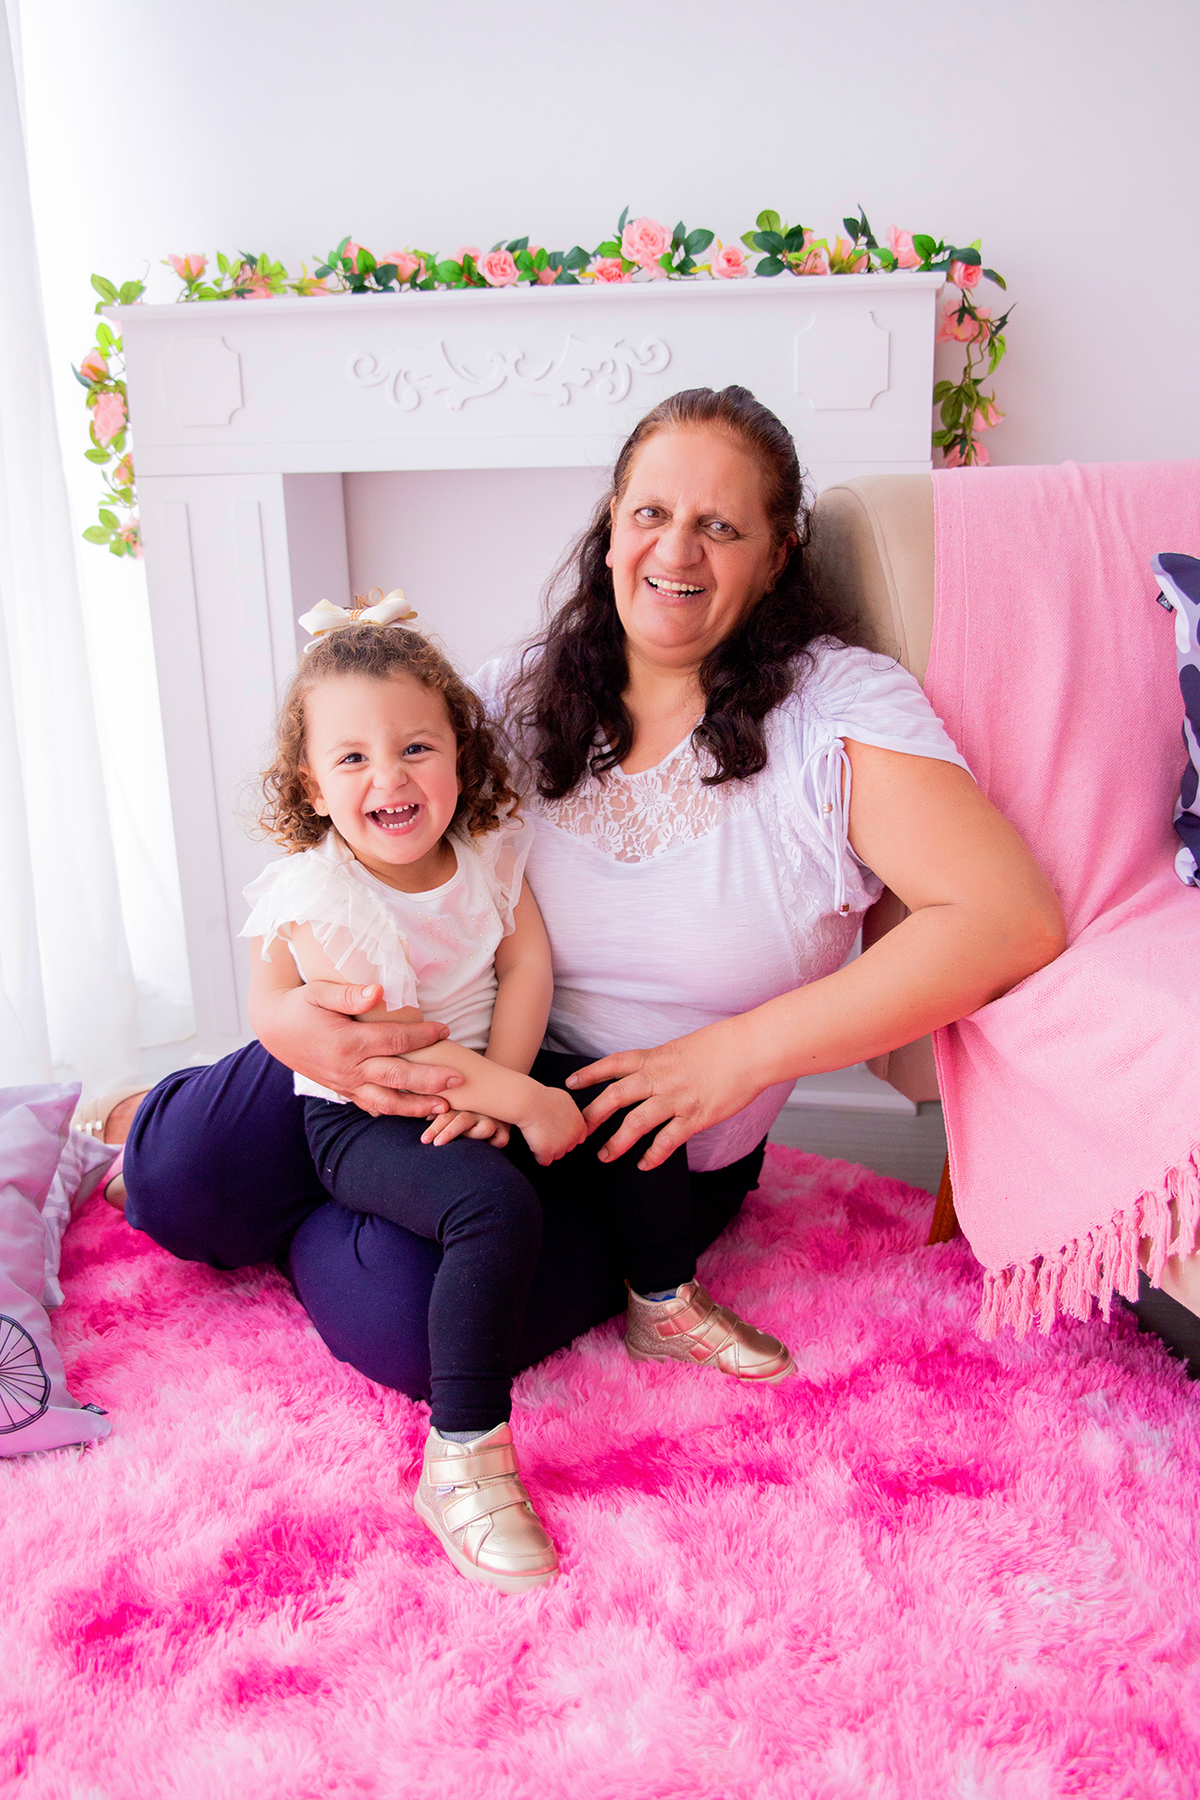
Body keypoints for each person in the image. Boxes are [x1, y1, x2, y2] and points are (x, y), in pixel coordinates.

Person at [112, 384, 1065, 1512]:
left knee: (418, 1329)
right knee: (171, 1184)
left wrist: (735, 1057)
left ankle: (335, 1201)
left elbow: (1008, 920)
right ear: (610, 527)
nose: (678, 549)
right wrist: (308, 1020)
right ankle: (190, 1132)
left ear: (777, 553)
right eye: (650, 512)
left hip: (630, 1147)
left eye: (722, 525)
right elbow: (390, 861)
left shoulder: (836, 711)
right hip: (448, 1049)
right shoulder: (530, 698)